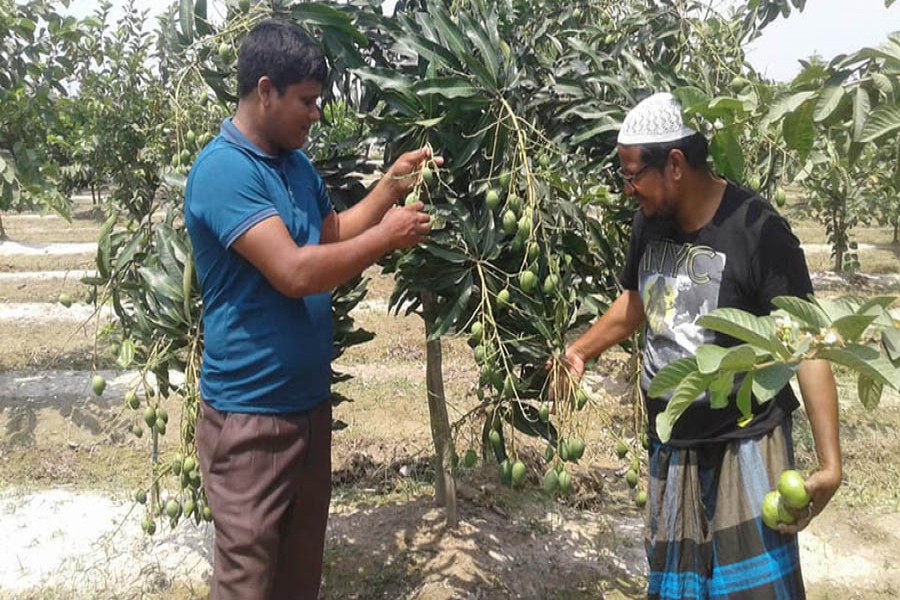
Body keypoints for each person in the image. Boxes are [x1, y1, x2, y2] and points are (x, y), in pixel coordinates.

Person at [184, 19, 436, 600]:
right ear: (265, 90)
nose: (316, 113)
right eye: (308, 100)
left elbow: (329, 234)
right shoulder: (224, 171)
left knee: (298, 580)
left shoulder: (294, 165)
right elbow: (295, 272)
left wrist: (388, 189)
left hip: (305, 409)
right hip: (250, 419)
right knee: (248, 582)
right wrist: (386, 239)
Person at [559, 92, 842, 599]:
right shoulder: (651, 222)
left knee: (755, 591)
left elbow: (807, 344)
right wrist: (582, 349)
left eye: (631, 176)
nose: (627, 191)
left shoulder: (759, 230)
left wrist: (831, 465)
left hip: (748, 442)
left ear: (673, 165)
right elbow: (639, 302)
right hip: (674, 448)